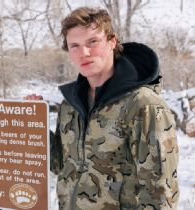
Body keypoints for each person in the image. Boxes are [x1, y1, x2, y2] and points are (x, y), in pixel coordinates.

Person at [25, 7, 179, 210]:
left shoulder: (143, 105)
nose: (84, 53)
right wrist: (35, 125)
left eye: (93, 42)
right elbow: (61, 167)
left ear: (112, 41)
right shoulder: (70, 105)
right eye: (75, 46)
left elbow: (161, 193)